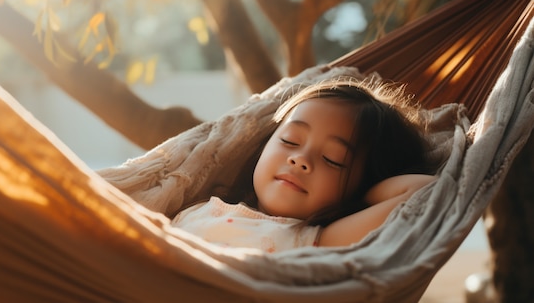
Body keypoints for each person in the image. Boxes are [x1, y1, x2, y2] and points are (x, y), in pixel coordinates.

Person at [171, 77, 438, 252]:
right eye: (289, 140)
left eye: (333, 160)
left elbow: (423, 191)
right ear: (264, 146)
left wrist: (362, 196)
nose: (300, 160)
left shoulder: (318, 240)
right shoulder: (200, 207)